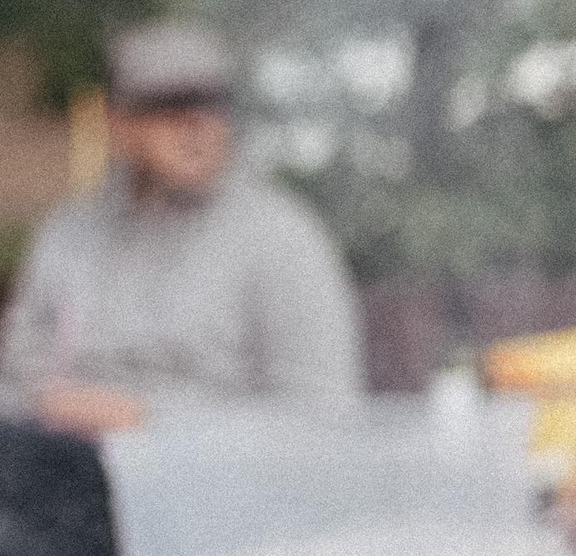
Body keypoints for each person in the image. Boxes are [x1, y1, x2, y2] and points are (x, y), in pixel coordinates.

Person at [0, 22, 363, 436]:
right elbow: (15, 381)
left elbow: (323, 413)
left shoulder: (282, 238)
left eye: (213, 105)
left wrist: (147, 419)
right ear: (118, 122)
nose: (198, 127)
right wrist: (46, 403)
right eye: (169, 107)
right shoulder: (70, 236)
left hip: (217, 487)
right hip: (57, 472)